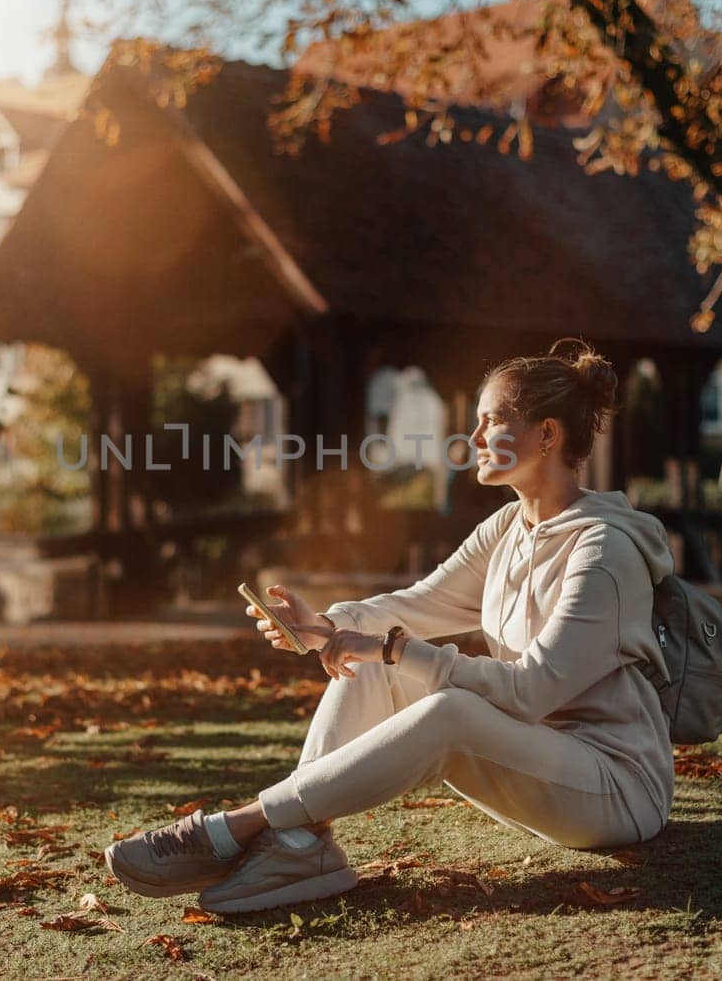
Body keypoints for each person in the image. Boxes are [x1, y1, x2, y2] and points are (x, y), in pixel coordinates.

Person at [105, 339, 677, 914]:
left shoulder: (604, 551)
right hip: (536, 761)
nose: (473, 438)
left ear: (547, 435)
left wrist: (392, 648)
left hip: (614, 789)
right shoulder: (508, 526)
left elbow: (530, 691)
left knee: (443, 705)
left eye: (492, 421)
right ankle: (301, 845)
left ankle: (238, 826)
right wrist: (328, 627)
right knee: (371, 668)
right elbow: (420, 603)